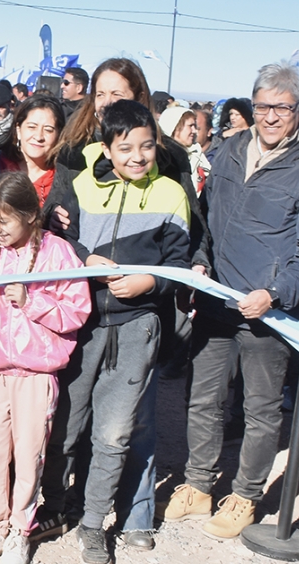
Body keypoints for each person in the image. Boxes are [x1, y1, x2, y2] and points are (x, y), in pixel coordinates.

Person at [166, 61, 299, 541]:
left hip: (271, 312)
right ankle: (198, 485)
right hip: (218, 301)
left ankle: (245, 495)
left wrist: (276, 293)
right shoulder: (228, 151)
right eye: (263, 106)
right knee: (204, 400)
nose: (270, 116)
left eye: (282, 108)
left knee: (261, 410)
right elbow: (205, 220)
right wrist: (201, 262)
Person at [50, 100, 190, 561]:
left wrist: (150, 280)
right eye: (125, 147)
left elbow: (179, 263)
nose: (137, 156)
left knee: (113, 434)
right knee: (67, 428)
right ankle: (55, 504)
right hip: (83, 325)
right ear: (107, 147)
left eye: (147, 146)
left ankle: (92, 525)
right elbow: (60, 241)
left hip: (136, 328)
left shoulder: (171, 193)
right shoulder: (82, 183)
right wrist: (84, 259)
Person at [0, 172, 91, 564]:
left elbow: (76, 314)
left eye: (4, 221)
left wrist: (32, 301)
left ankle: (19, 532)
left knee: (29, 456)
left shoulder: (60, 254)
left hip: (36, 374)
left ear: (31, 214)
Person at [59, 58, 154, 172]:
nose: (106, 103)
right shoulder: (73, 153)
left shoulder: (166, 157)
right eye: (100, 94)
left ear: (139, 98)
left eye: (117, 94)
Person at [0, 95, 74, 231]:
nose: (39, 137)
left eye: (48, 130)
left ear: (58, 135)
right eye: (32, 127)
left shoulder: (67, 179)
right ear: (18, 130)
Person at [160, 106, 212, 194]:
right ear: (175, 127)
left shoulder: (197, 153)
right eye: (190, 126)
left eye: (194, 126)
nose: (195, 131)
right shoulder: (165, 159)